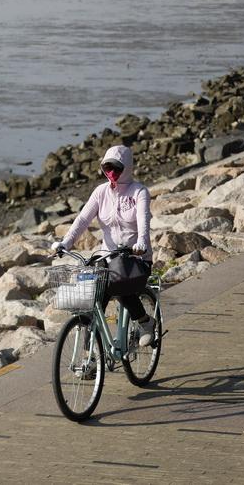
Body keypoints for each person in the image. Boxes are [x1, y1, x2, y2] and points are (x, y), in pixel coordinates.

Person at [50, 144, 156, 346]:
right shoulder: (100, 192)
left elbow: (143, 222)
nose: (112, 172)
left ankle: (145, 322)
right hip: (107, 256)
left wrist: (141, 242)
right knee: (94, 298)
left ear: (127, 167)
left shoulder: (139, 192)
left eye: (117, 168)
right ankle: (90, 355)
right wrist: (66, 243)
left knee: (117, 285)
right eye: (108, 167)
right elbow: (82, 220)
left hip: (135, 257)